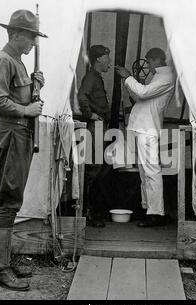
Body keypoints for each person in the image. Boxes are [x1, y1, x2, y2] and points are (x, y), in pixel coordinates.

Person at [0, 9, 47, 291]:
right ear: (16, 34)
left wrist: (35, 87)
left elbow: (18, 95)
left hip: (19, 135)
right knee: (8, 200)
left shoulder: (18, 63)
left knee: (13, 198)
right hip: (11, 134)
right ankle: (0, 268)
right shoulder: (3, 60)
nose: (34, 42)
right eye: (31, 37)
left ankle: (5, 261)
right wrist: (26, 109)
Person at [115, 48, 175, 227]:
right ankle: (148, 208)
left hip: (148, 128)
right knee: (145, 172)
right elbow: (140, 96)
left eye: (148, 62)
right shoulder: (156, 76)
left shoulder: (166, 77)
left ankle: (156, 213)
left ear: (157, 60)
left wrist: (128, 77)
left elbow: (142, 93)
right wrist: (131, 82)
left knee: (151, 171)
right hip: (142, 126)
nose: (147, 66)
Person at [77, 45, 111, 227]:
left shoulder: (96, 77)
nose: (109, 62)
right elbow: (82, 96)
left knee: (96, 169)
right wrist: (89, 115)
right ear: (98, 59)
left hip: (100, 126)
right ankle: (85, 213)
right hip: (95, 126)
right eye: (107, 58)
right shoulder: (91, 77)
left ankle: (89, 211)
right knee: (92, 171)